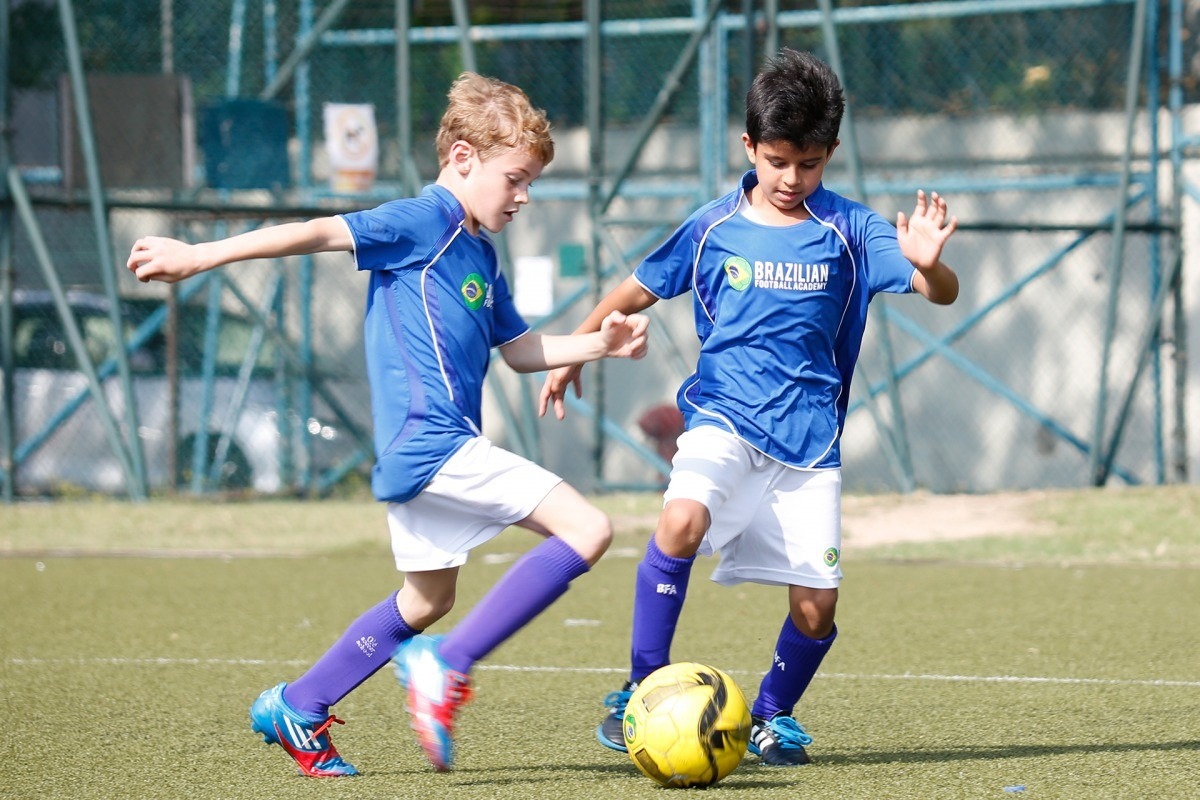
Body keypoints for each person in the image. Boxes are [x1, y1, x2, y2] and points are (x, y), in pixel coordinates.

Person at [127, 72, 649, 776]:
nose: (524, 196)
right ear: (462, 158)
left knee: (427, 599)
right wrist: (201, 256)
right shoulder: (423, 220)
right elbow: (318, 231)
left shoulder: (479, 251)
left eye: (530, 183)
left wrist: (598, 346)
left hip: (425, 452)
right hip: (434, 444)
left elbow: (521, 351)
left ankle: (299, 704)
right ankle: (450, 665)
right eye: (515, 179)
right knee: (588, 529)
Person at [540, 48, 959, 767]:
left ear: (830, 153)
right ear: (749, 147)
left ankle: (771, 715)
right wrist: (575, 349)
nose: (792, 179)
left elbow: (939, 293)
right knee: (680, 520)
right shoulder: (712, 227)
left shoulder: (853, 231)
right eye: (776, 161)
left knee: (816, 609)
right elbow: (636, 289)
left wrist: (929, 263)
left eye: (809, 164)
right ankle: (641, 689)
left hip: (810, 444)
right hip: (723, 419)